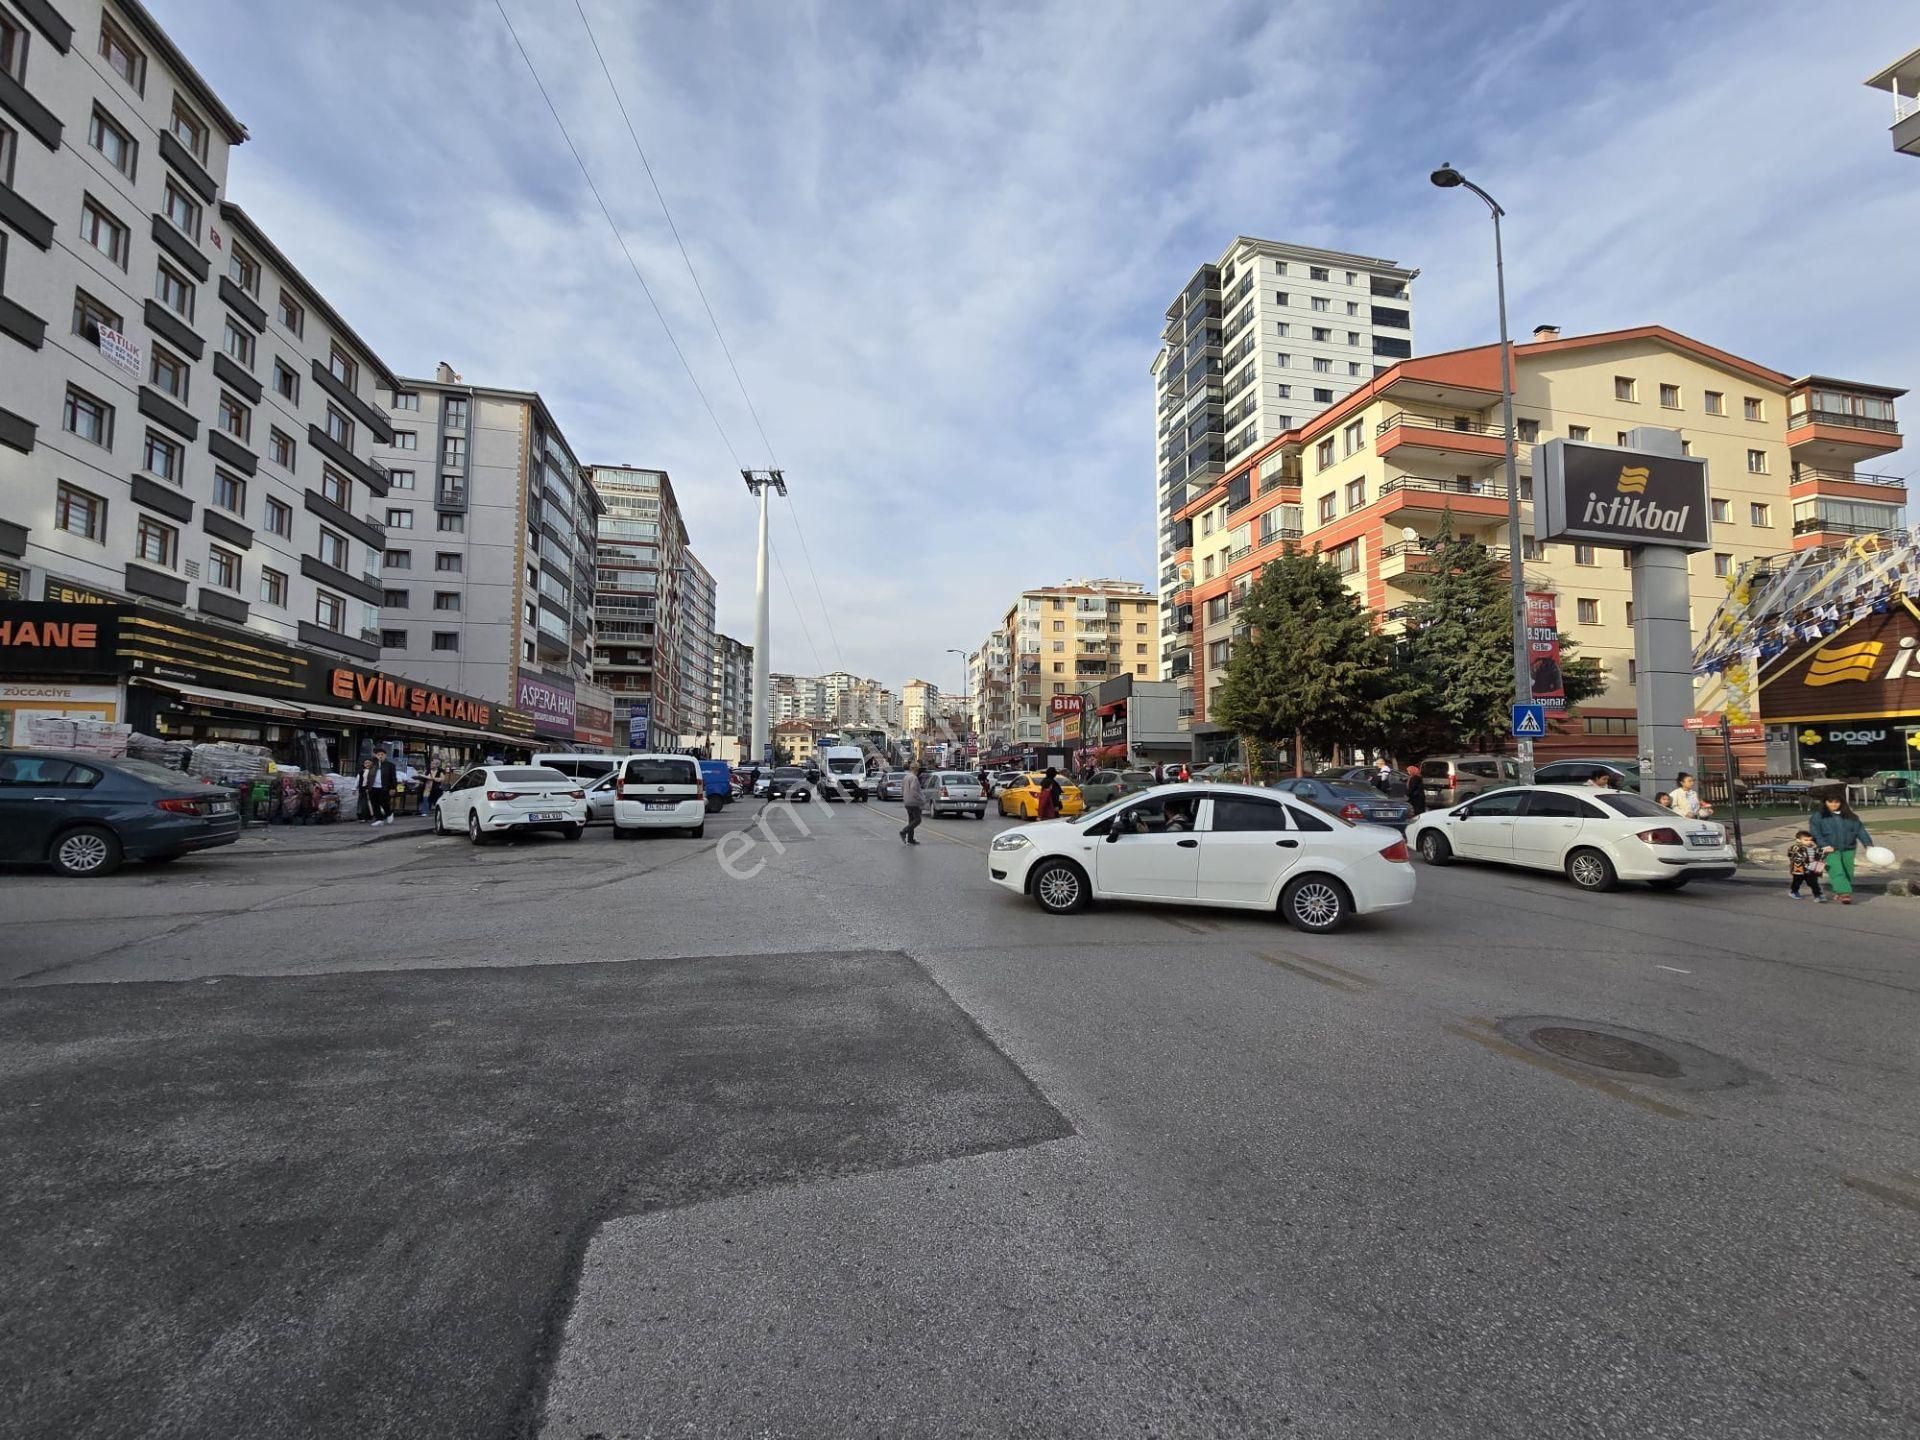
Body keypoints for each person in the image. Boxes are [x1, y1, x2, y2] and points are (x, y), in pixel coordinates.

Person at [1810, 795, 1873, 905]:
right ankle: (1844, 893)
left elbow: (1860, 830)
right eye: (1830, 802)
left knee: (1848, 871)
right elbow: (1815, 833)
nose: (1833, 804)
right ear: (1825, 802)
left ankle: (1840, 892)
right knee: (1837, 870)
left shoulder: (1851, 816)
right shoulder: (1818, 816)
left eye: (1836, 802)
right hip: (1829, 849)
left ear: (1842, 803)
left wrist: (1868, 844)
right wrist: (1824, 845)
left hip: (1849, 848)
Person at [1786, 828, 1826, 903]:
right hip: (1799, 869)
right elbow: (1795, 857)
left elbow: (1819, 855)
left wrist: (1821, 856)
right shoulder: (1796, 848)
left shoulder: (1813, 848)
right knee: (1797, 881)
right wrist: (1805, 864)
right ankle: (1794, 891)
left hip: (1811, 869)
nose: (1809, 842)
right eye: (1806, 840)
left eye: (1810, 840)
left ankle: (1818, 895)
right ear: (1798, 840)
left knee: (1813, 882)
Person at [899, 765, 924, 844]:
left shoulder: (906, 777)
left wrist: (905, 797)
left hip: (907, 801)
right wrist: (920, 799)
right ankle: (904, 831)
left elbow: (902, 789)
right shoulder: (914, 778)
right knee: (917, 820)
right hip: (914, 802)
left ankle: (910, 839)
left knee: (911, 820)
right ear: (916, 770)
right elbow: (913, 789)